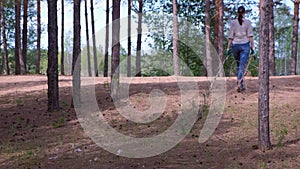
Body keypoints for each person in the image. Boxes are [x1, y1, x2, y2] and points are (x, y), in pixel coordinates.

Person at [226, 6, 255, 92]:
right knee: (242, 65)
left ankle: (240, 83)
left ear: (237, 13)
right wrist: (253, 47)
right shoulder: (248, 22)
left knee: (239, 65)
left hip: (235, 45)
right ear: (244, 13)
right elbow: (250, 36)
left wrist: (228, 48)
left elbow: (230, 37)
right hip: (245, 45)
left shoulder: (233, 23)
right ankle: (239, 82)